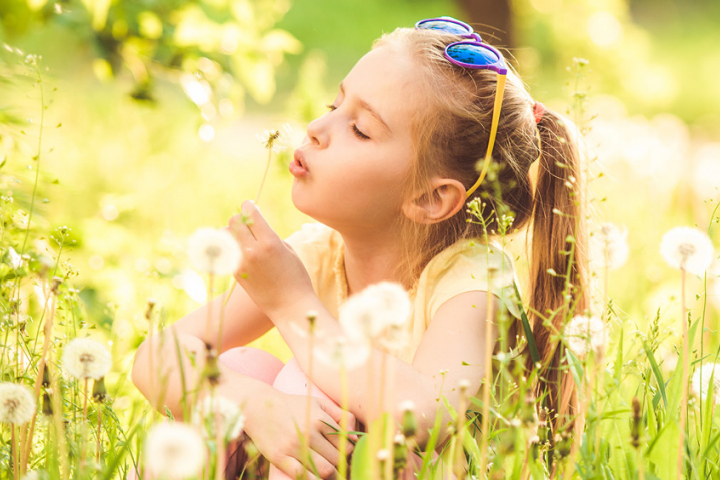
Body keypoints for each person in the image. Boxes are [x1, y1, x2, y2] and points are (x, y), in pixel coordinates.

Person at [132, 15, 589, 480]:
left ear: (431, 198)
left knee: (307, 389)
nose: (316, 127)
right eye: (335, 103)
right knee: (237, 368)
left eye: (361, 129)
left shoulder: (473, 280)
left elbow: (422, 416)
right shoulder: (314, 256)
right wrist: (254, 404)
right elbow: (155, 359)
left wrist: (291, 304)